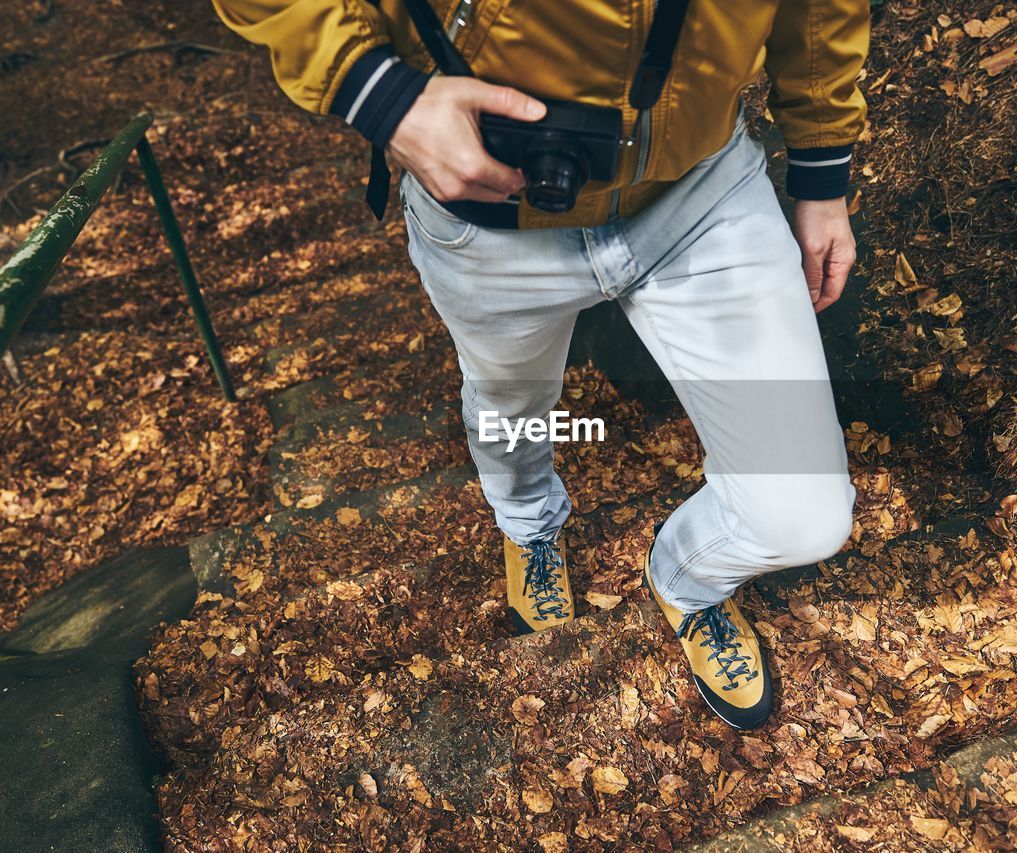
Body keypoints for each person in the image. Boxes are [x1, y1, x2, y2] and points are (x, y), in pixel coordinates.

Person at [212, 0, 869, 730]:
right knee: (510, 404)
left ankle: (691, 579)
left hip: (701, 188)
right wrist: (379, 92)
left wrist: (821, 168)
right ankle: (529, 525)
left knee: (803, 513)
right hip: (491, 211)